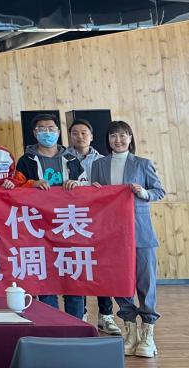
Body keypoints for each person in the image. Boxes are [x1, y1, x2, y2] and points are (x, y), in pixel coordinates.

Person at [90, 121, 164, 358]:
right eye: (113, 135)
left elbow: (159, 191)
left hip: (141, 232)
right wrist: (93, 191)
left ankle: (148, 334)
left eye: (123, 135)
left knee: (146, 282)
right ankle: (130, 332)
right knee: (120, 282)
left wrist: (143, 192)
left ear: (130, 138)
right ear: (108, 139)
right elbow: (95, 198)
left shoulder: (142, 163)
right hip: (112, 233)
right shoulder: (98, 164)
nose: (118, 140)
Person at [13, 113, 87, 320]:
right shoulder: (25, 161)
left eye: (51, 129)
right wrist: (32, 184)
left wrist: (78, 185)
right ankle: (51, 324)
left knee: (73, 279)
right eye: (42, 129)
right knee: (45, 279)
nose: (47, 132)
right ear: (35, 133)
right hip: (39, 229)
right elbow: (15, 189)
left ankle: (75, 325)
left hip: (69, 227)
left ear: (58, 132)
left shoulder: (72, 160)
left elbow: (87, 188)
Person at [67, 119, 118, 335]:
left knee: (100, 268)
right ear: (70, 136)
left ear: (92, 136)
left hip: (99, 221)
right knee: (77, 265)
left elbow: (112, 188)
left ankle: (106, 315)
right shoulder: (63, 158)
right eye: (75, 133)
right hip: (72, 221)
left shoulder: (104, 160)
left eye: (84, 133)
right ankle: (82, 314)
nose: (80, 136)